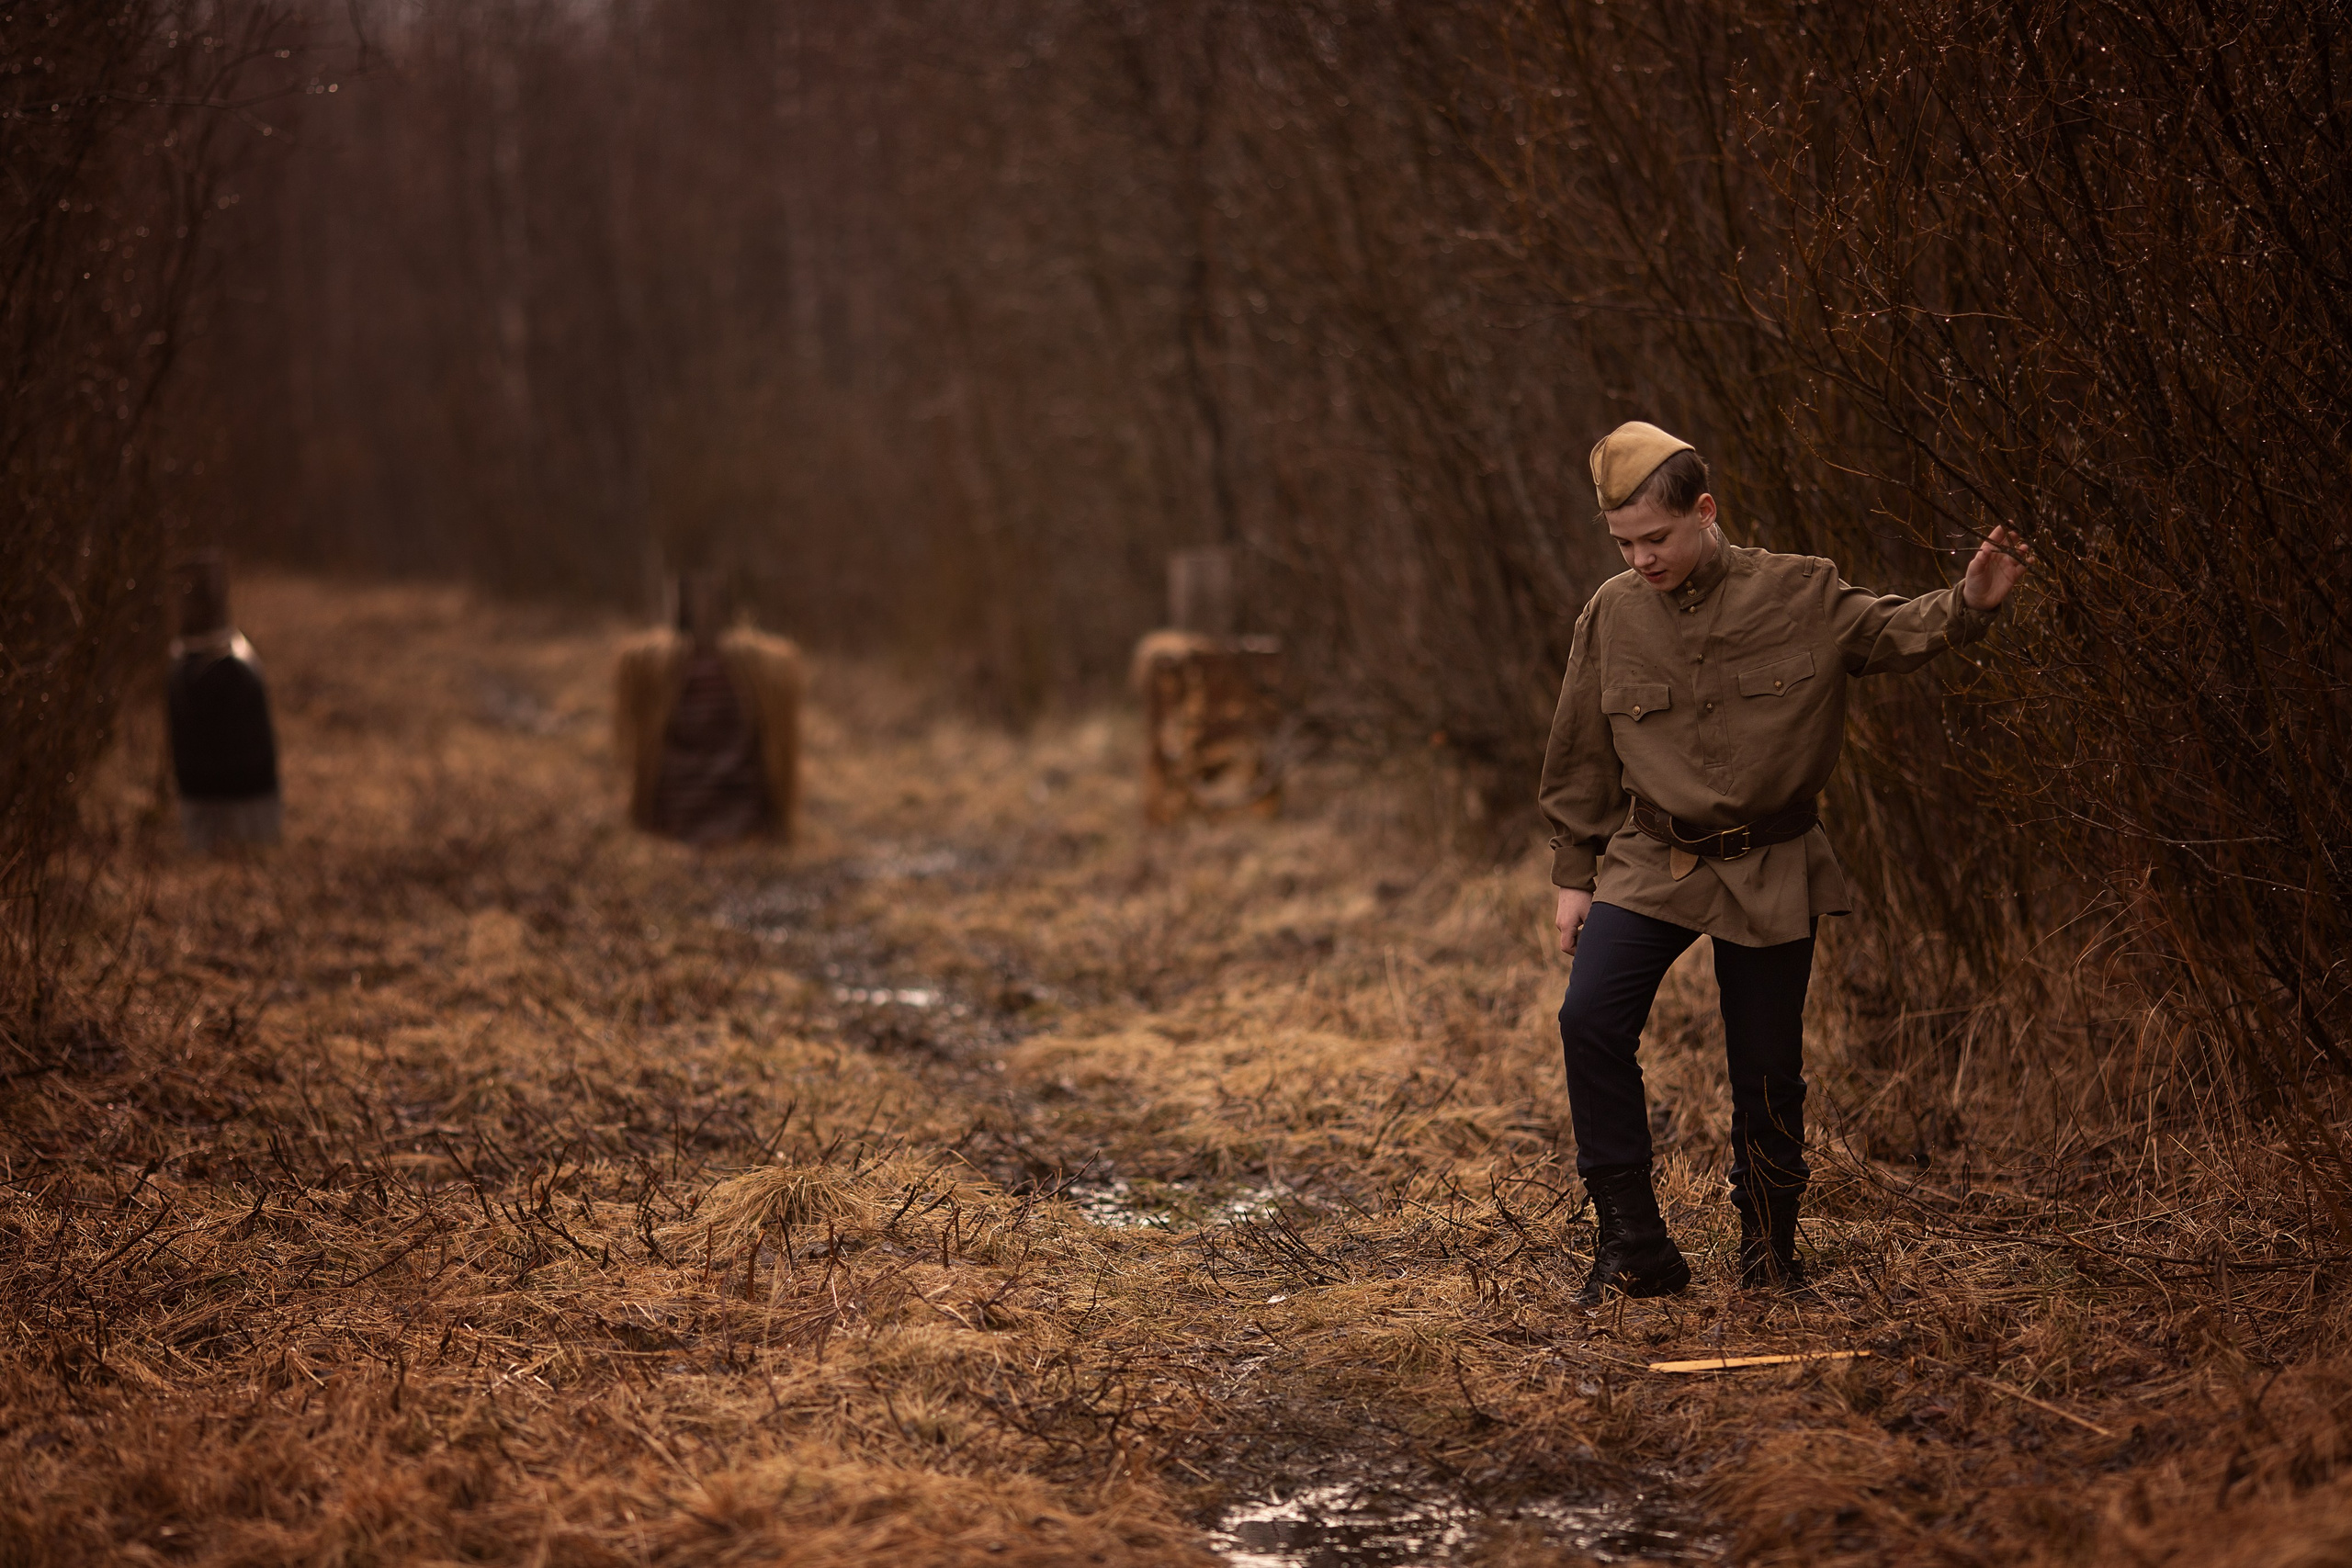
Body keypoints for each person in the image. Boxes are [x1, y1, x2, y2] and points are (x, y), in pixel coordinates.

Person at [1537, 422, 2030, 1303]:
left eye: (1657, 538)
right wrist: (1575, 872)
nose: (1642, 559)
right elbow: (1579, 749)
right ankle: (1634, 1245)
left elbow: (1891, 632)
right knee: (1589, 1019)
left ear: (1705, 510)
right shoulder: (1612, 613)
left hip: (1771, 860)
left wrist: (1970, 603)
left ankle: (1769, 1252)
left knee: (1766, 1066)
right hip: (1652, 858)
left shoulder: (1799, 590)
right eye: (1624, 543)